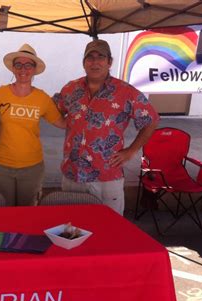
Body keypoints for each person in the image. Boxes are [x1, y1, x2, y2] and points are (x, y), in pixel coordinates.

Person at [54, 39, 159, 215]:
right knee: (72, 226)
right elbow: (51, 110)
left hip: (106, 176)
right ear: (84, 62)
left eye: (100, 57)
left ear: (109, 62)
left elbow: (151, 120)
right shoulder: (70, 89)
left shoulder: (125, 92)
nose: (95, 62)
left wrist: (131, 150)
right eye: (90, 57)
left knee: (110, 229)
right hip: (73, 174)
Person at [0, 44, 65, 206]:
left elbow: (62, 123)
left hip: (32, 168)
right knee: (3, 211)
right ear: (13, 68)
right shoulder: (0, 93)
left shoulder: (42, 98)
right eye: (18, 64)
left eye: (28, 65)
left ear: (34, 69)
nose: (23, 69)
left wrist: (85, 112)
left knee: (27, 214)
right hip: (2, 166)